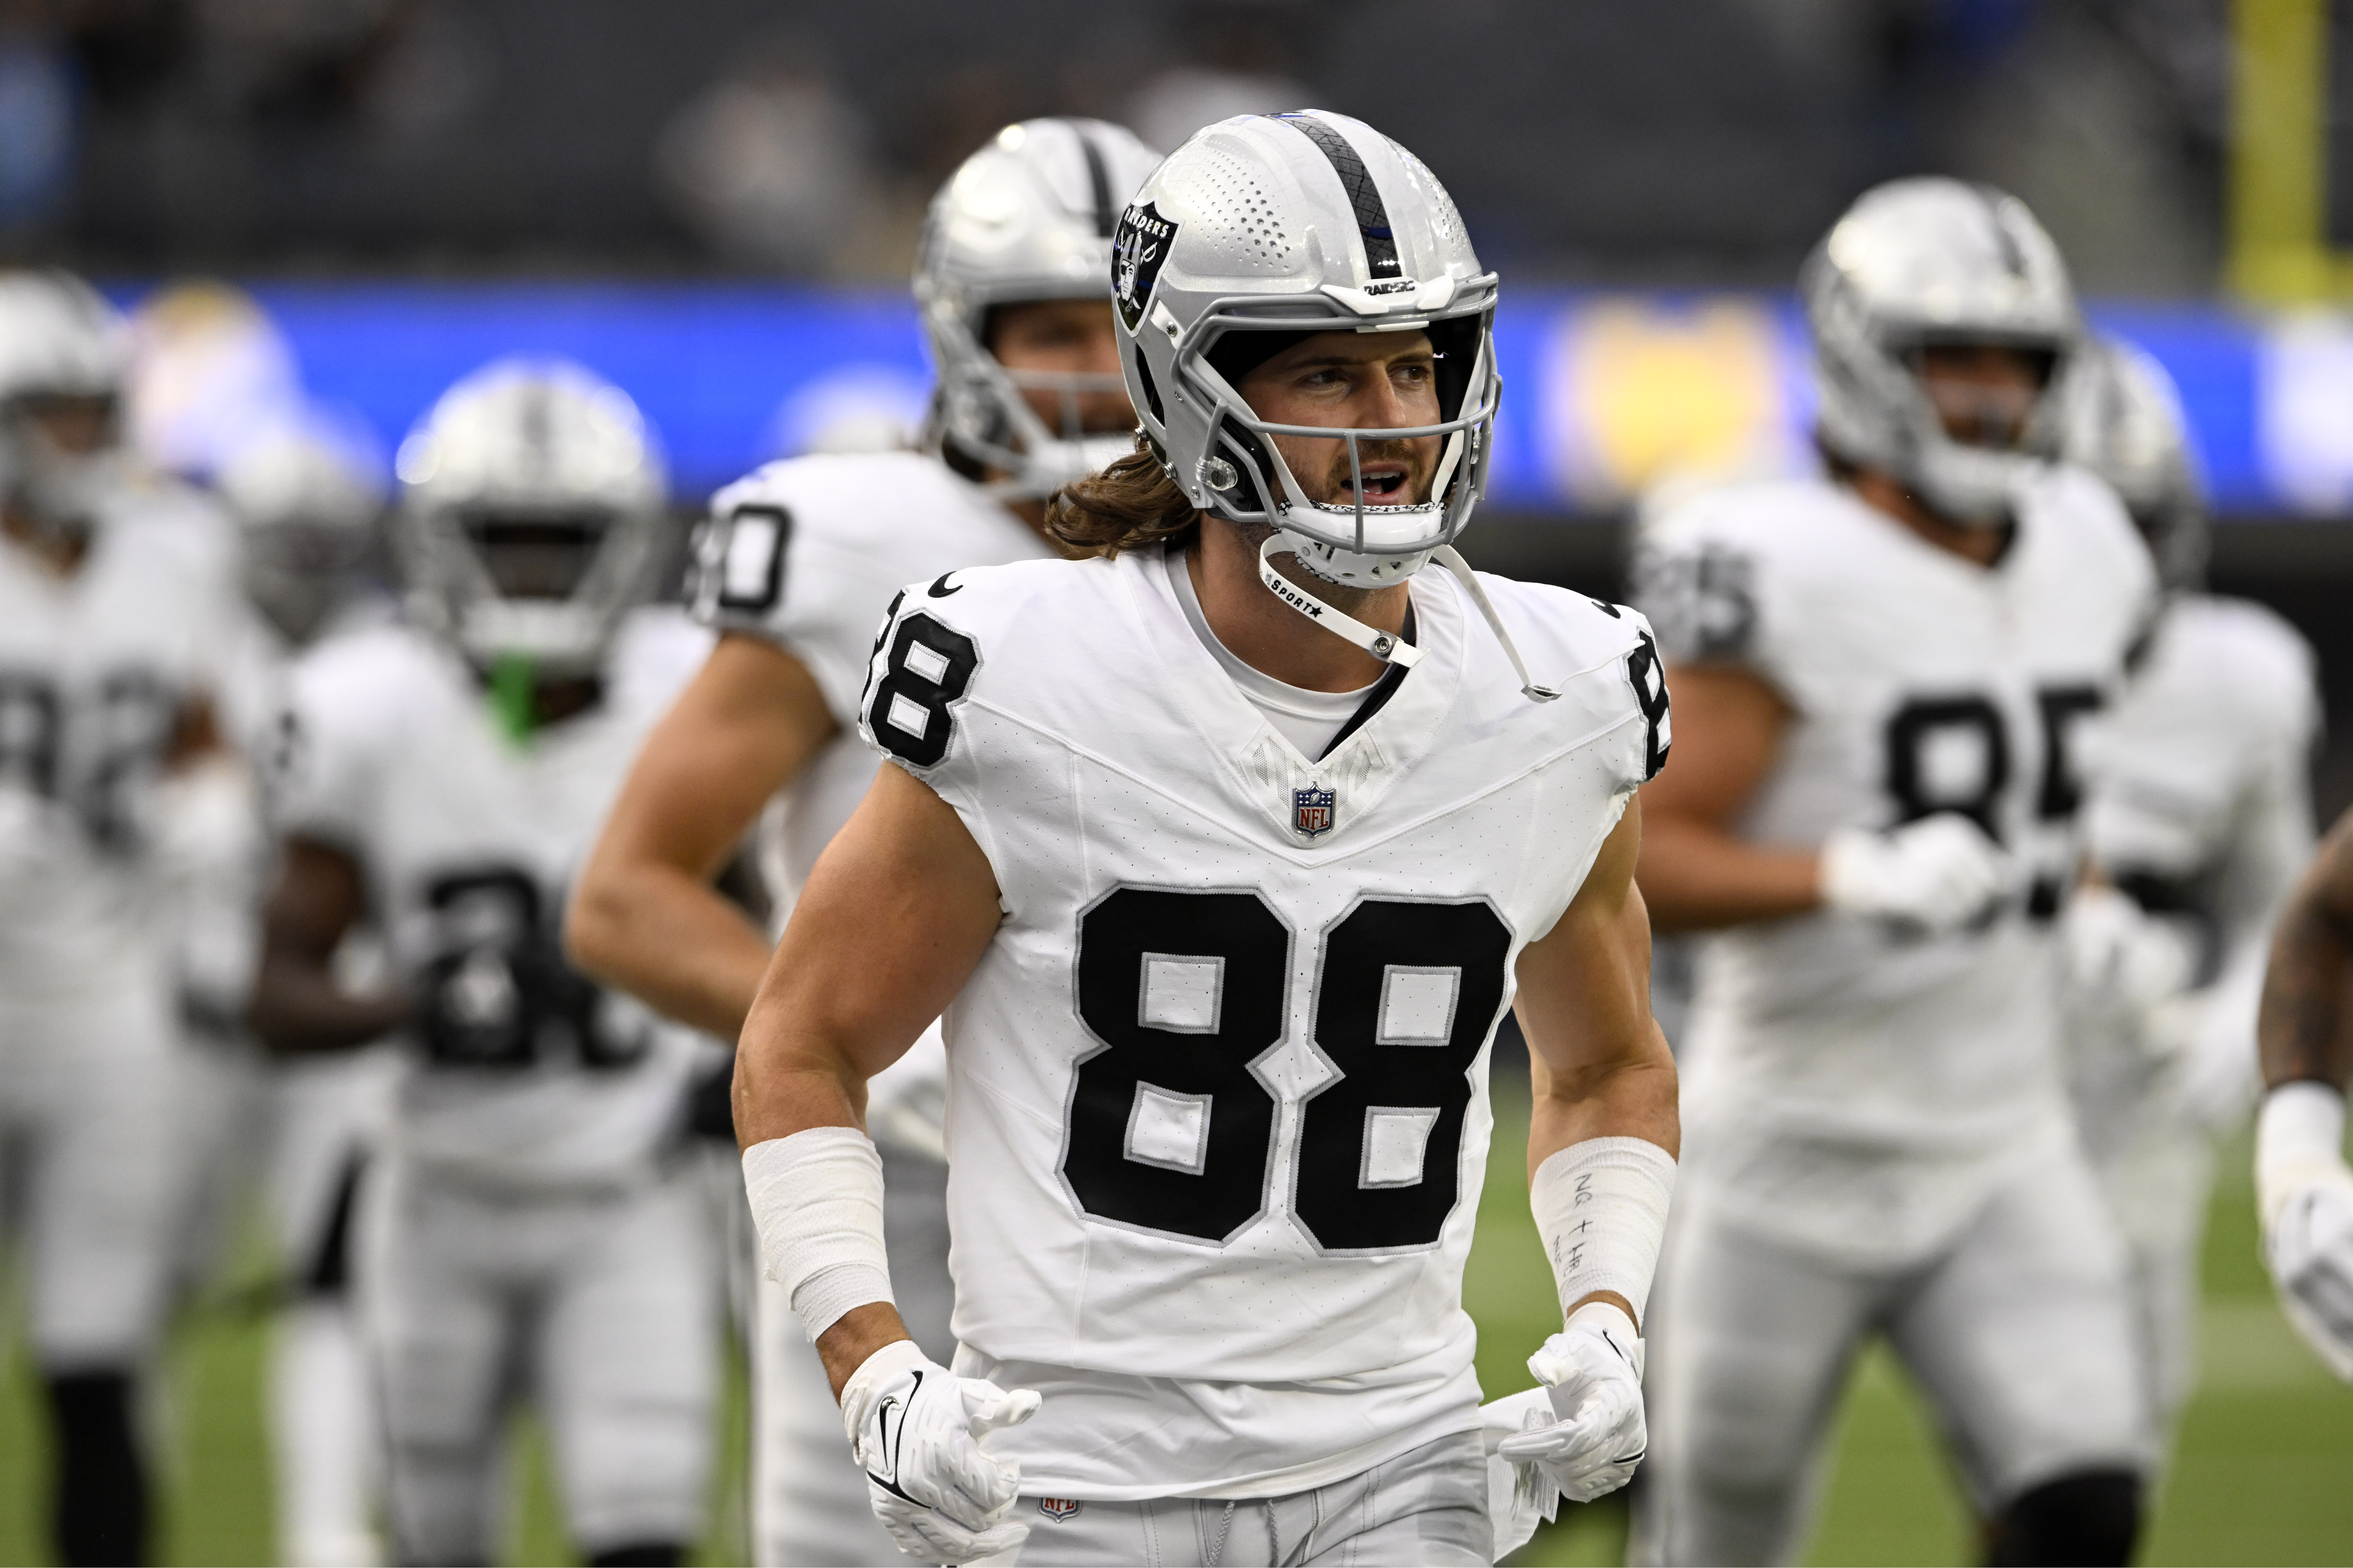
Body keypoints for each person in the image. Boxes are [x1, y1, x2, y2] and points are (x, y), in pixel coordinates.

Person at [731, 108, 1679, 1567]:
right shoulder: (1023, 672)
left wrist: (1607, 1320)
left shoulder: (1558, 691)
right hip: (1075, 1475)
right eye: (1327, 368)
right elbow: (803, 1043)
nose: (1393, 414)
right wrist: (872, 1364)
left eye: (1417, 361)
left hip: (1400, 1458)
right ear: (1193, 385)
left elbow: (1609, 1064)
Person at [564, 115, 1161, 1567]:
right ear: (964, 335)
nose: (1096, 371)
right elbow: (628, 898)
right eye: (1053, 329)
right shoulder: (853, 538)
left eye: (1124, 329)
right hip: (894, 1188)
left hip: (1165, 1198)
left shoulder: (1229, 544)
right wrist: (860, 1049)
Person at [1627, 179, 2159, 1567]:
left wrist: (2084, 896)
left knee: (2083, 1505)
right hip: (1784, 1156)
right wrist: (1841, 876)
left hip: (2001, 1142)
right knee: (1714, 1539)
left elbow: (2040, 787)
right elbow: (1631, 863)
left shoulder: (2093, 545)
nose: (1990, 397)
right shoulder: (1770, 560)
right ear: (1865, 359)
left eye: (2018, 364)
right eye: (1954, 359)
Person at [249, 360, 722, 1567]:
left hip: (628, 1196)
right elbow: (279, 989)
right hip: (435, 1198)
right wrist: (420, 1006)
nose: (531, 574)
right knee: (437, 1542)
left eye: (560, 545)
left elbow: (785, 938)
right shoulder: (366, 705)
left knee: (644, 1534)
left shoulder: (692, 695)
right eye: (503, 543)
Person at [0, 268, 251, 1568]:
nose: (91, 440)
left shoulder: (177, 550)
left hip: (108, 990)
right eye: (60, 413)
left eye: (101, 411)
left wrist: (206, 804)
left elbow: (213, 730)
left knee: (96, 1355)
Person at [2054, 337, 2320, 1448]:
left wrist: (2237, 1019)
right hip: (1921, 1060)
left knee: (2110, 1437)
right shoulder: (1920, 642)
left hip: (2129, 1081)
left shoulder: (2241, 675)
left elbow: (2290, 897)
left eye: (2139, 525)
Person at [215, 421, 404, 1567]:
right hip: (182, 996)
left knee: (331, 1256)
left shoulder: (384, 659)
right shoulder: (196, 643)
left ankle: (328, 1527)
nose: (306, 562)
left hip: (335, 1000)